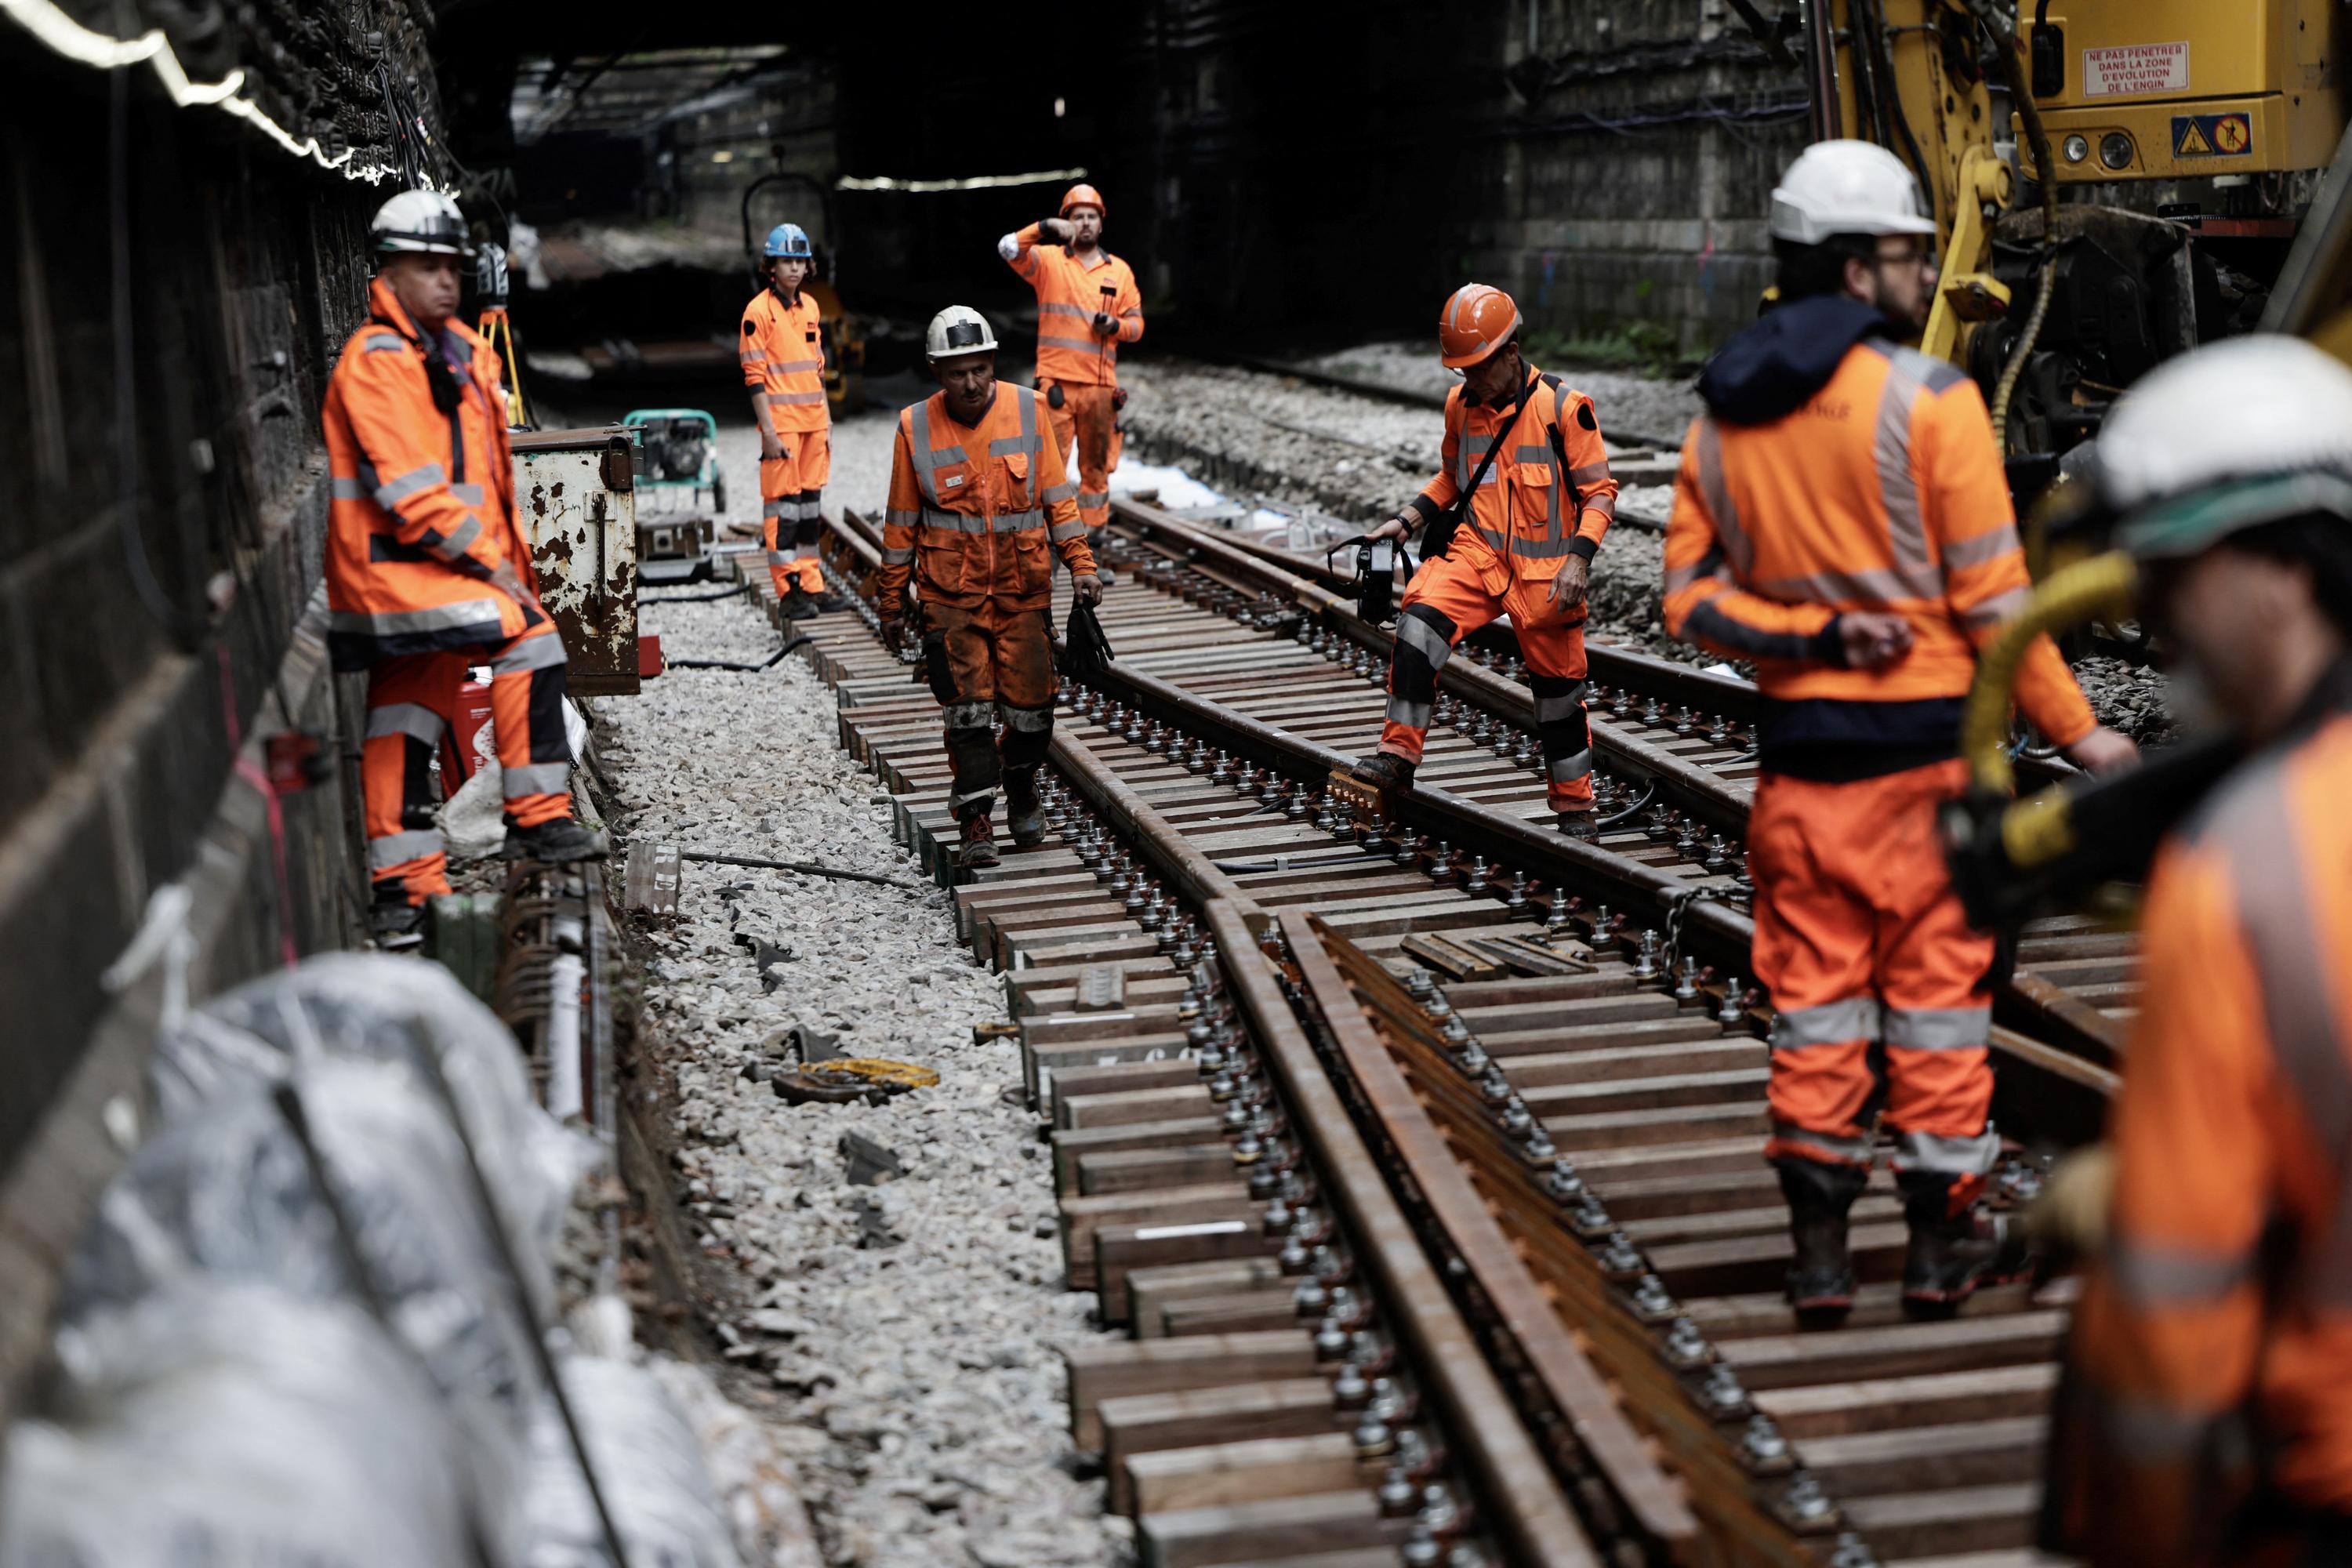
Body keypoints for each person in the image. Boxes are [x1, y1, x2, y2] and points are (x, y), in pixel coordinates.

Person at [1660, 140, 2136, 1314]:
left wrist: (1807, 638)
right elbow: (1996, 609)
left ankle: (1821, 1258)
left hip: (1798, 793)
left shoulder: (1725, 416)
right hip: (1925, 785)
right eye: (1910, 256)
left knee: (1816, 1018)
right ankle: (1935, 1252)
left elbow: (1690, 603)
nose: (1925, 276)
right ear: (1856, 268)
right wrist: (2086, 741)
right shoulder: (1932, 403)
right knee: (1935, 1017)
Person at [2045, 335, 2352, 1567]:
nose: (2161, 631)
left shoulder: (2245, 864)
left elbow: (2171, 1339)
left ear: (2274, 562)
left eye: (2171, 581)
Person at [324, 190, 604, 947]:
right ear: (390, 270)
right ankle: (537, 817)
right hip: (405, 573)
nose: (446, 281)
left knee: (404, 716)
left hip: (425, 574)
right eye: (427, 267)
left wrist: (505, 562)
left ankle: (403, 893)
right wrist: (496, 572)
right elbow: (412, 490)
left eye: (453, 266)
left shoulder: (460, 354)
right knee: (530, 639)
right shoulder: (380, 363)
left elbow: (487, 481)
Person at [1345, 283, 1621, 836]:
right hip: (1478, 557)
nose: (1468, 381)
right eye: (1461, 371)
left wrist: (1578, 560)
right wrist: (1405, 521)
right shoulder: (1461, 408)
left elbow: (1600, 494)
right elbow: (1453, 477)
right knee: (1418, 623)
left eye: (1477, 368)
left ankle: (1575, 808)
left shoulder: (1565, 409)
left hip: (1546, 574)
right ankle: (1398, 759)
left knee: (1559, 698)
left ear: (1511, 354)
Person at [874, 307, 1103, 870]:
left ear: (993, 362)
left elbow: (1058, 500)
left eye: (979, 369)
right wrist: (890, 599)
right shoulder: (915, 427)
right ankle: (976, 815)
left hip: (1023, 594)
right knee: (968, 714)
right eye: (957, 373)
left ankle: (1020, 780)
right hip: (951, 598)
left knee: (1033, 716)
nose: (971, 383)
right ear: (936, 372)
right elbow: (901, 521)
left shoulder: (1028, 411)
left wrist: (1081, 565)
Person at [999, 183, 1142, 568]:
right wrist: (1043, 226)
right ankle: (1043, 551)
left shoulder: (1120, 272)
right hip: (1056, 387)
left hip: (1099, 390)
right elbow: (1008, 248)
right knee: (1048, 470)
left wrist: (1115, 326)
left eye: (1091, 216)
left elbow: (1137, 325)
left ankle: (1091, 550)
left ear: (1101, 223)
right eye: (1076, 216)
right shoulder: (1047, 261)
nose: (1084, 223)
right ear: (1067, 222)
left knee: (1095, 472)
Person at [742, 221, 840, 621]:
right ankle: (788, 591)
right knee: (783, 511)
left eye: (800, 261)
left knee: (809, 509)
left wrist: (828, 420)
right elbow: (754, 379)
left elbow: (816, 369)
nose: (795, 269)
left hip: (813, 423)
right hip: (782, 427)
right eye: (787, 261)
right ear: (772, 266)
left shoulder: (812, 308)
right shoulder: (758, 312)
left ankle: (811, 585)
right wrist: (767, 432)